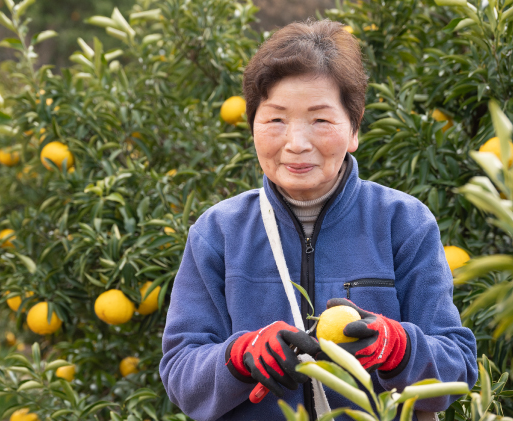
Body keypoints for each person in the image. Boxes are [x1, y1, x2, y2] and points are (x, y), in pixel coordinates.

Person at [159, 19, 478, 421]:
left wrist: (397, 349)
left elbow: (459, 366)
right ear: (253, 126)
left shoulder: (403, 222)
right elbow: (180, 375)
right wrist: (238, 358)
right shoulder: (218, 232)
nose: (296, 142)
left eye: (320, 120)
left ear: (354, 128)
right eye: (275, 119)